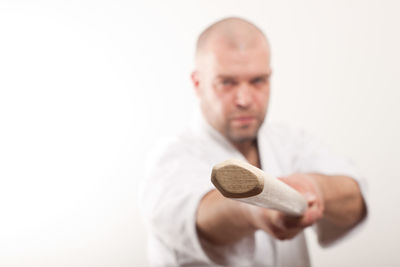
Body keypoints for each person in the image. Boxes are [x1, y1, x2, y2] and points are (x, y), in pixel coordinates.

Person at [139, 17, 367, 267]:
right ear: (197, 83)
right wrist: (259, 210)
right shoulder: (169, 161)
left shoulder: (291, 141)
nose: (245, 99)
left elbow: (353, 196)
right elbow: (203, 216)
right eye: (226, 82)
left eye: (258, 81)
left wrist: (312, 186)